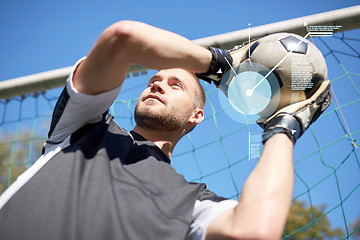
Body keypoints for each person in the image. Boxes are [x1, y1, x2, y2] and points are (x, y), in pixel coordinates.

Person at [0, 20, 331, 240]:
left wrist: (285, 126)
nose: (157, 85)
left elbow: (255, 231)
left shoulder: (193, 203)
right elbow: (122, 39)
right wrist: (218, 64)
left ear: (196, 116)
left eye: (176, 85)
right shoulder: (83, 127)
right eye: (153, 80)